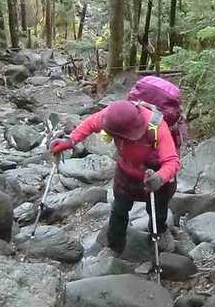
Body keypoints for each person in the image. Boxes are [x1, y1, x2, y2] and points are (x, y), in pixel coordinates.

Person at [51, 98, 178, 257]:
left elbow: (172, 161)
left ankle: (159, 233)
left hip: (155, 176)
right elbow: (90, 123)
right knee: (119, 209)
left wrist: (159, 178)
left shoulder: (156, 126)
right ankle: (115, 247)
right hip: (126, 173)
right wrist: (70, 140)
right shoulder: (110, 117)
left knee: (157, 211)